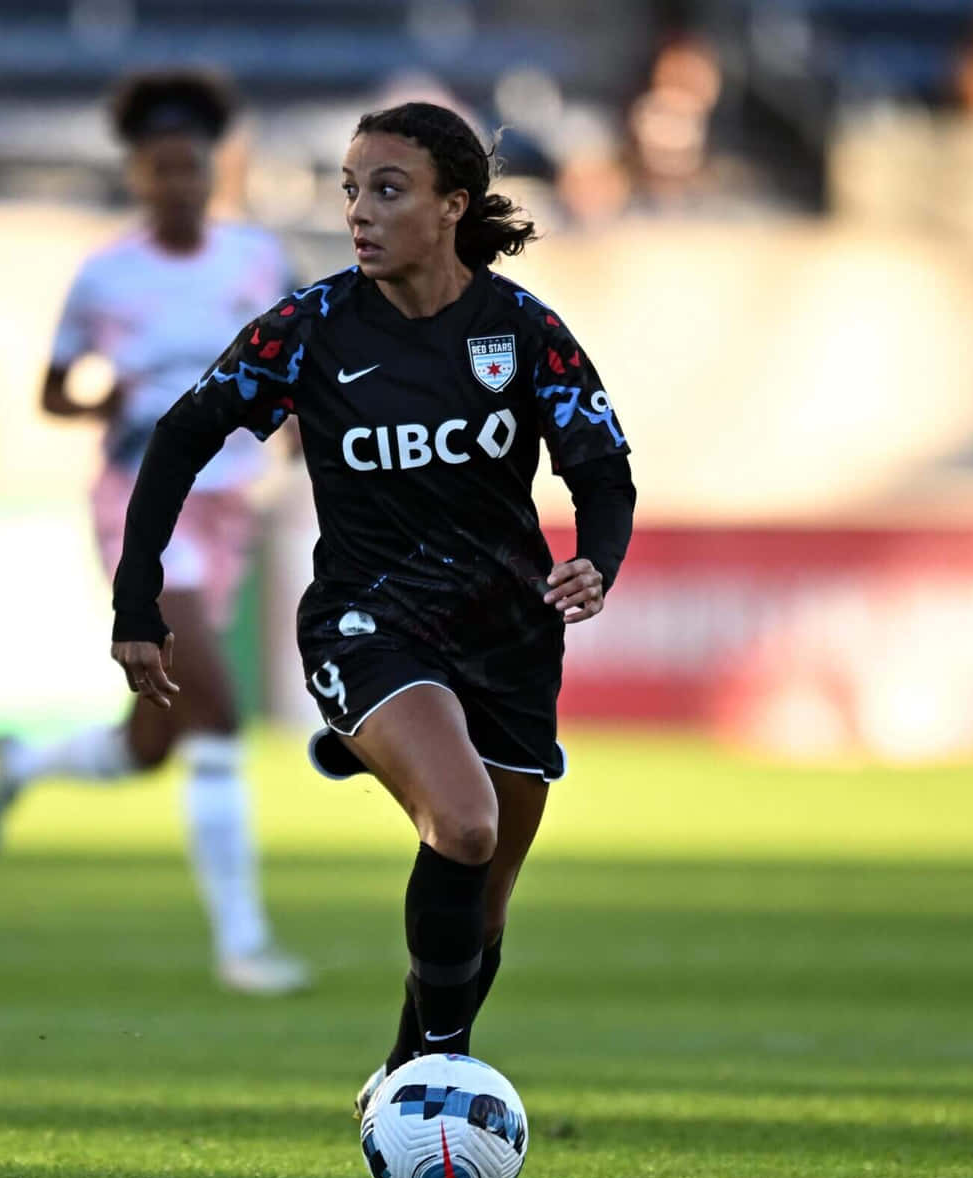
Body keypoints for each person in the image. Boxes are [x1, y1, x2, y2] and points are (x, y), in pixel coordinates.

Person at [107, 102, 635, 1109]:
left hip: (509, 635)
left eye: (386, 189)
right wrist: (139, 598)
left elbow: (603, 472)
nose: (358, 210)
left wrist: (596, 561)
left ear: (451, 206)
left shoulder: (521, 331)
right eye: (350, 189)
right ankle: (439, 1073)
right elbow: (181, 436)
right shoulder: (311, 328)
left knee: (480, 906)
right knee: (467, 821)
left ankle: (404, 1072)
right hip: (370, 619)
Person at [0, 69, 310, 996]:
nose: (179, 183)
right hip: (141, 506)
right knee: (218, 710)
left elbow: (307, 366)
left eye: (192, 166)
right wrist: (100, 395)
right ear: (138, 176)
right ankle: (242, 943)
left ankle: (24, 761)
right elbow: (51, 391)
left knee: (153, 741)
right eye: (161, 169)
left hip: (231, 498)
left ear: (213, 169)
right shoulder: (105, 273)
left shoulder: (256, 259)